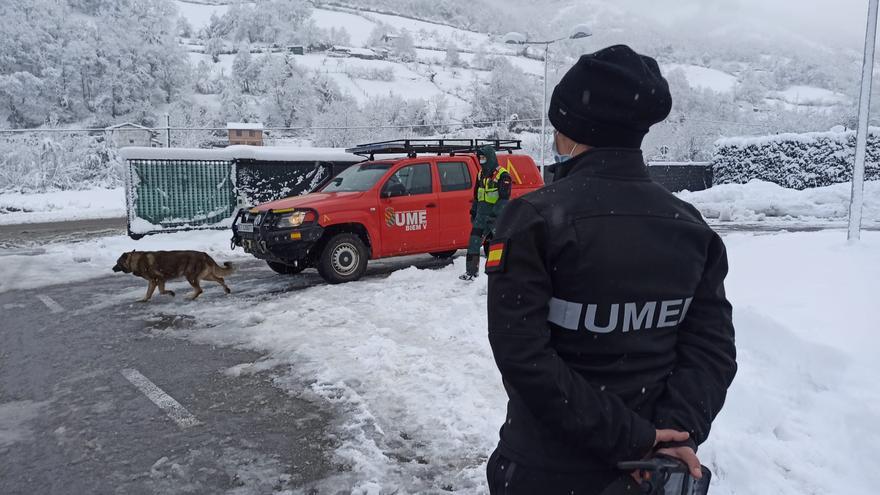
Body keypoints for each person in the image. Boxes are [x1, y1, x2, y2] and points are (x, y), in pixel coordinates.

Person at [485, 45, 737, 494]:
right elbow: (712, 349)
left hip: (546, 469)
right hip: (651, 474)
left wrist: (634, 437)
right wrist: (673, 433)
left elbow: (523, 355)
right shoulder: (690, 228)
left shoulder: (534, 218)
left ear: (568, 130)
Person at [460, 145, 512, 281]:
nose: (481, 160)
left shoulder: (503, 175)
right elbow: (477, 196)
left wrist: (494, 215)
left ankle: (502, 272)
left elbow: (504, 199)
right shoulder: (480, 175)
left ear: (490, 158)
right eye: (480, 157)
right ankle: (471, 272)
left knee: (498, 246)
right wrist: (474, 211)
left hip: (496, 218)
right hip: (481, 217)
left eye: (483, 157)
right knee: (473, 243)